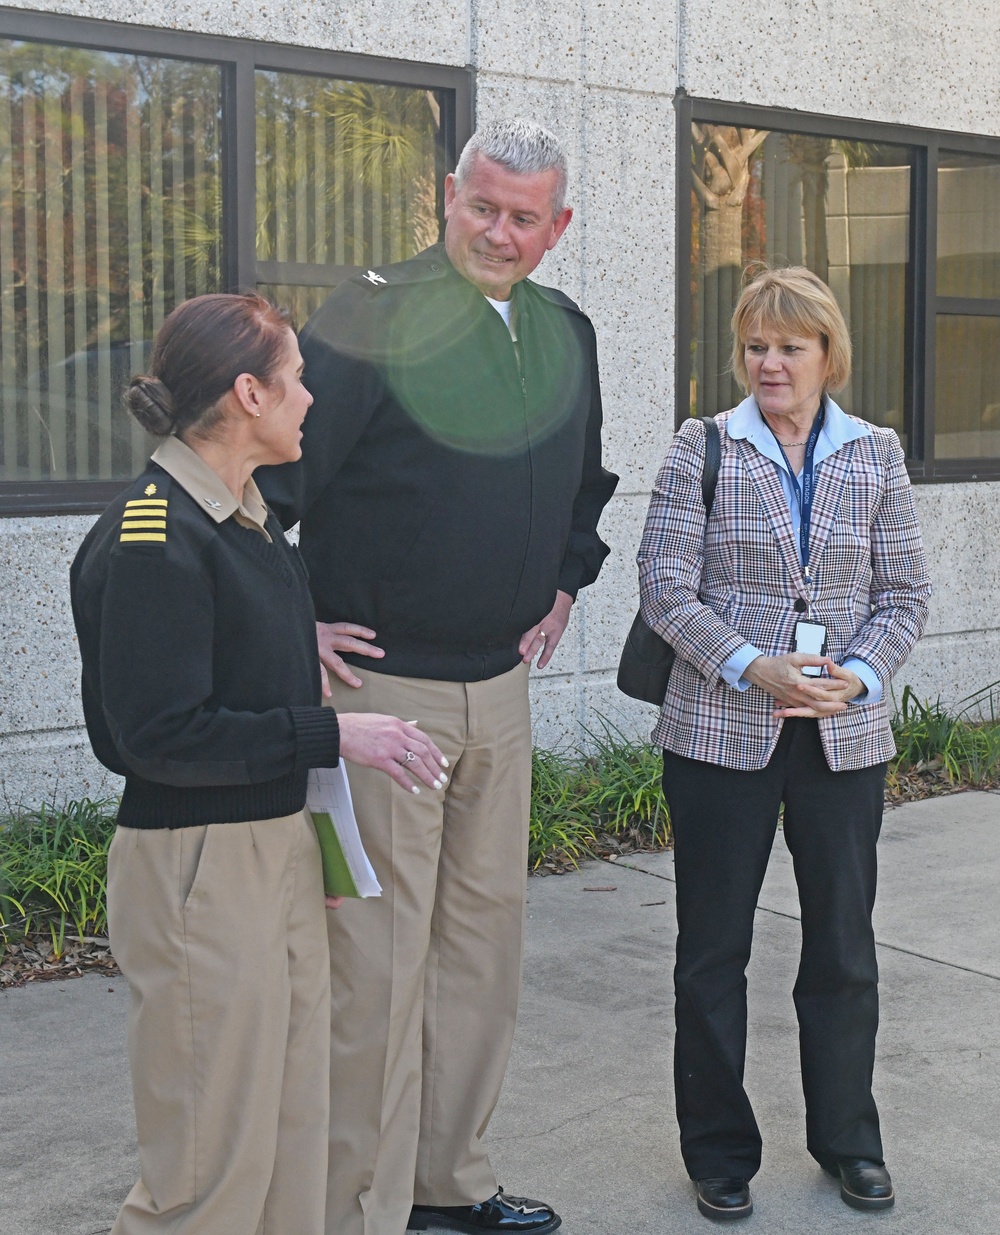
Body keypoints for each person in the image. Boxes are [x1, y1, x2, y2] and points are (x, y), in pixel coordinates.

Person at [258, 119, 618, 1235]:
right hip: (380, 701)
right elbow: (262, 479)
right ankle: (357, 1205)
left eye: (524, 217)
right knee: (375, 964)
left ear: (556, 228)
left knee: (480, 947)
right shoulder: (371, 316)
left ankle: (447, 1184)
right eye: (482, 206)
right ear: (446, 196)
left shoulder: (564, 329)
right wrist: (294, 620)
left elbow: (584, 478)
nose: (498, 232)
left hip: (498, 692)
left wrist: (565, 579)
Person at [70, 292, 448, 1235]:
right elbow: (156, 737)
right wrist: (335, 738)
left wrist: (305, 839)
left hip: (267, 847)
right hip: (201, 866)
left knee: (289, 1132)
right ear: (248, 393)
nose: (311, 398)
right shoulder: (158, 535)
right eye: (296, 378)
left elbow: (249, 681)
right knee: (208, 1161)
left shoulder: (243, 520)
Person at [637, 267, 931, 1223]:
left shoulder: (875, 453)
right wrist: (747, 664)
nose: (769, 362)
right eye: (756, 345)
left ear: (826, 355)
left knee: (844, 949)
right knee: (712, 952)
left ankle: (850, 1140)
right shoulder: (704, 447)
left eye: (789, 346)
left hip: (844, 740)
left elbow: (905, 593)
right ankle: (719, 1153)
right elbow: (665, 586)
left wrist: (864, 675)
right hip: (722, 735)